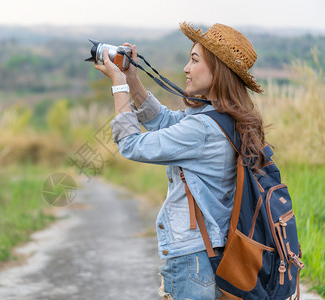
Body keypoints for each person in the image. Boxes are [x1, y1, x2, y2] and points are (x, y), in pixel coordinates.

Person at [94, 22, 266, 300]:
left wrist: (119, 86)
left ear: (218, 71)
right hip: (213, 250)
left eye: (194, 60)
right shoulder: (228, 118)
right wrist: (133, 79)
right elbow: (164, 121)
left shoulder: (203, 129)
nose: (186, 68)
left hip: (192, 260)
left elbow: (130, 144)